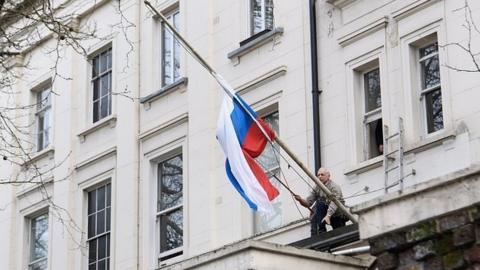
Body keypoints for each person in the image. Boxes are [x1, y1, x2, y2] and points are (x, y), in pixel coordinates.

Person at [294, 167, 348, 236]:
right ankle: (322, 231)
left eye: (322, 175)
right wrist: (300, 200)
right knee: (319, 205)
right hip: (327, 212)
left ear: (328, 176)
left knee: (340, 235)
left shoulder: (334, 187)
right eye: (318, 175)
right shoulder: (317, 187)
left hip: (338, 215)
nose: (320, 176)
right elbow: (308, 203)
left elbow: (334, 203)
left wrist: (328, 216)